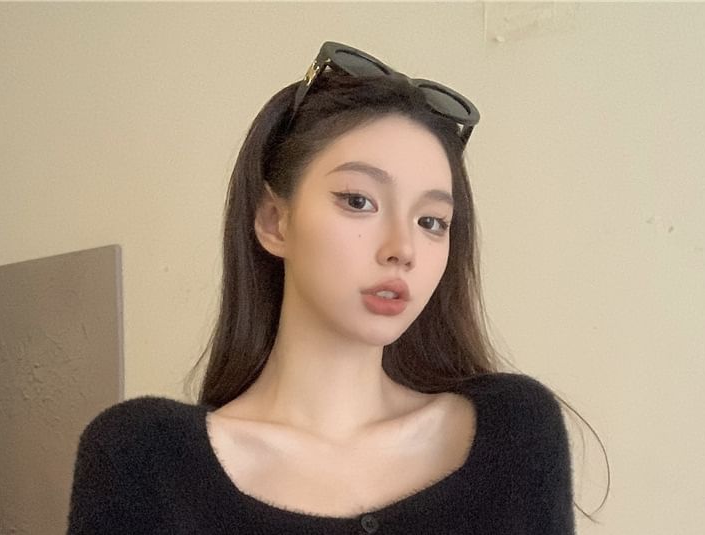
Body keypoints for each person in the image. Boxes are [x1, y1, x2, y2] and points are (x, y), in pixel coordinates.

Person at [67, 41, 581, 534]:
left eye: (431, 221)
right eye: (359, 201)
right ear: (274, 221)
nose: (402, 248)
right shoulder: (143, 460)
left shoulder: (513, 434)